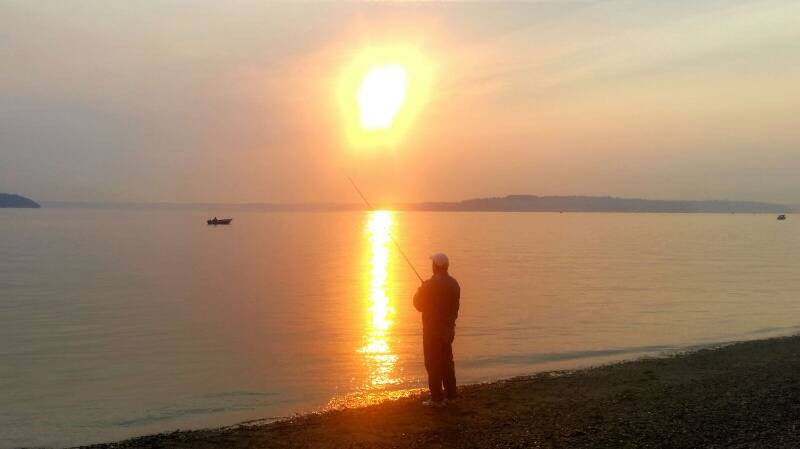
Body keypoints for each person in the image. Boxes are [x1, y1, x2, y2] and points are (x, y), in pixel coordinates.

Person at [413, 252, 460, 407]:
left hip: (432, 331)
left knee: (433, 364)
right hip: (448, 330)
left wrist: (421, 290)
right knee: (447, 362)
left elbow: (418, 305)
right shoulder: (454, 284)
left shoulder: (428, 285)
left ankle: (437, 399)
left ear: (435, 266)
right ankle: (452, 395)